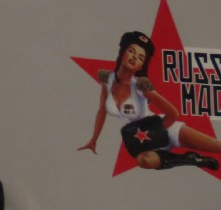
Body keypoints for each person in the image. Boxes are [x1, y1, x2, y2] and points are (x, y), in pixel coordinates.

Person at [80, 31, 221, 171]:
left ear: (141, 66)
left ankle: (190, 156)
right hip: (143, 140)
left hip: (165, 128)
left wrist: (155, 134)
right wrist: (94, 139)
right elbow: (102, 110)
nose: (135, 57)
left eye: (141, 57)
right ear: (122, 53)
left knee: (217, 146)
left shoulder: (141, 86)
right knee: (144, 160)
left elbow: (173, 114)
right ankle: (191, 159)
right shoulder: (107, 81)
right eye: (131, 51)